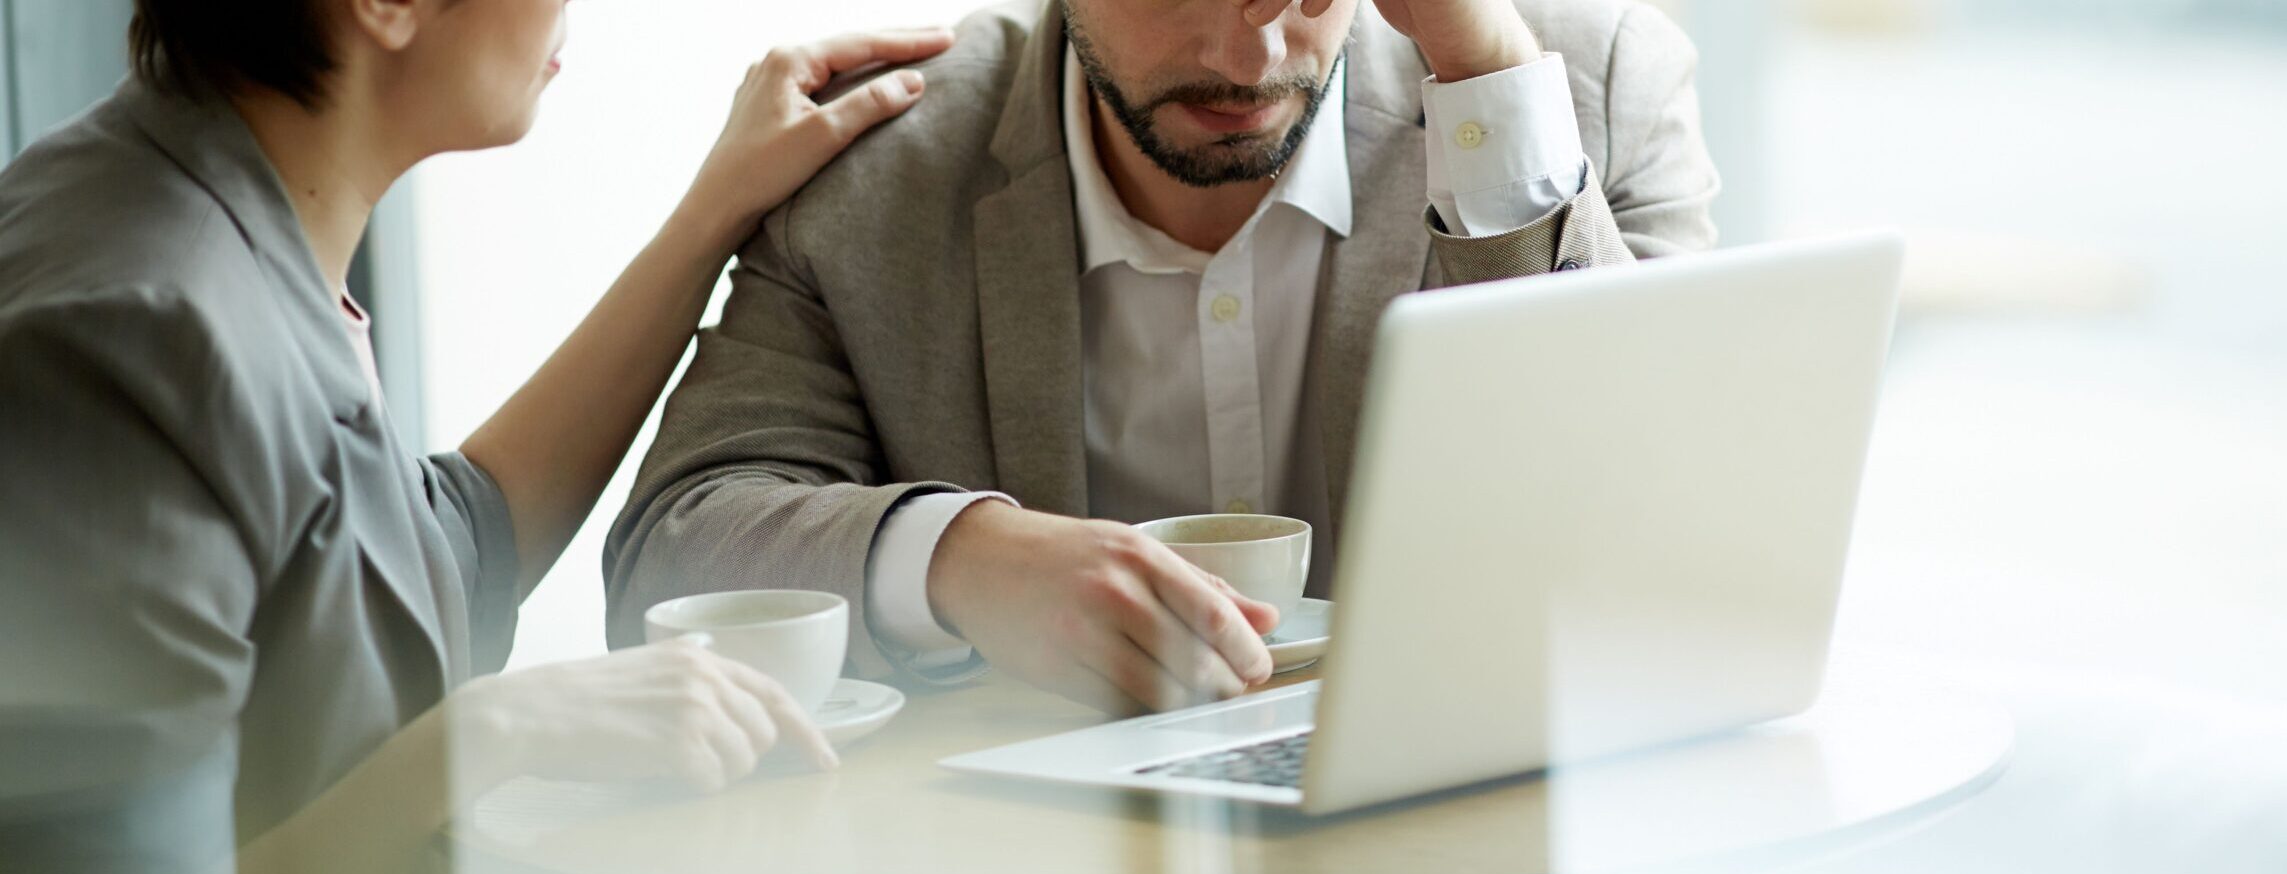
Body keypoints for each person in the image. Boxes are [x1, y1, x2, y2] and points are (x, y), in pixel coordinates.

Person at [0, 1, 954, 874]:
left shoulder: (219, 211)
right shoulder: (119, 338)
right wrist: (487, 735)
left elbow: (439, 553)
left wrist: (713, 214)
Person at [606, 0, 1720, 714]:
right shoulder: (880, 157)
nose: (1249, 53)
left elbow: (1667, 550)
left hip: (1495, 862)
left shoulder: (1574, 90)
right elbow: (674, 551)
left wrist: (1485, 77)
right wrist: (959, 557)